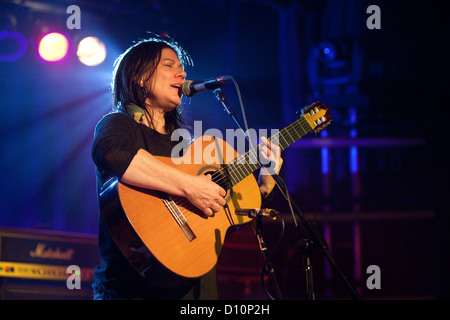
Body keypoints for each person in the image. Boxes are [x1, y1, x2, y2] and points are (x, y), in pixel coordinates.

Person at [91, 35, 283, 300]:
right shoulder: (119, 124)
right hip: (130, 290)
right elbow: (111, 154)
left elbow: (225, 215)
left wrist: (265, 181)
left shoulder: (188, 148)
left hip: (196, 289)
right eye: (169, 65)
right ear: (138, 76)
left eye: (181, 67)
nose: (181, 73)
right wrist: (191, 186)